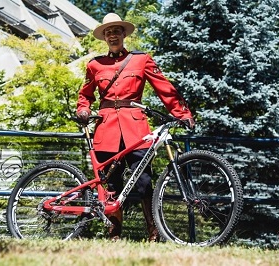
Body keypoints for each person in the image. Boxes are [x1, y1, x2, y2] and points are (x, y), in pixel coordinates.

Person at [76, 13, 195, 242]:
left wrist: (182, 113)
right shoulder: (95, 65)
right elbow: (85, 95)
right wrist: (83, 109)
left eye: (116, 31)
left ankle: (154, 233)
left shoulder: (141, 60)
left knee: (144, 182)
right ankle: (114, 235)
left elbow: (165, 88)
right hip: (106, 128)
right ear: (105, 37)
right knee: (111, 184)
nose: (112, 35)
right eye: (108, 32)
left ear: (123, 34)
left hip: (136, 129)